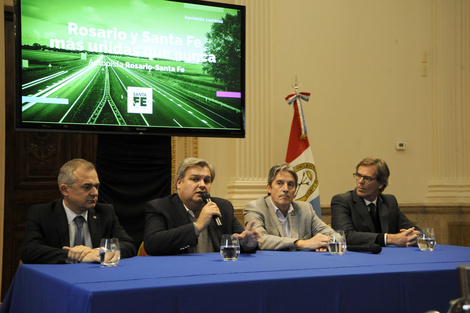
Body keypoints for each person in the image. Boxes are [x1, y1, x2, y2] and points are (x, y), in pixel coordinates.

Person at [21, 158, 136, 264]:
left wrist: (97, 252)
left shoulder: (105, 212)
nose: (95, 193)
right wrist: (71, 255)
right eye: (87, 187)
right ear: (65, 190)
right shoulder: (42, 213)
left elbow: (129, 245)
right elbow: (29, 250)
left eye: (96, 186)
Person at [144, 158, 260, 256]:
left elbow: (239, 241)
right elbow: (152, 244)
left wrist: (246, 244)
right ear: (179, 182)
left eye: (207, 180)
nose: (202, 185)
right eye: (195, 179)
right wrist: (198, 225)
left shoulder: (223, 207)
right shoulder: (160, 207)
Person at [244, 163, 340, 251]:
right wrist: (302, 243)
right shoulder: (255, 207)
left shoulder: (305, 209)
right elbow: (260, 239)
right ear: (269, 187)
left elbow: (335, 236)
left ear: (295, 190)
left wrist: (325, 243)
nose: (285, 189)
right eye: (280, 183)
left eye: (290, 184)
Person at [331, 157, 420, 247]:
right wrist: (389, 238)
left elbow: (414, 229)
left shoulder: (389, 202)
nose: (360, 181)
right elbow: (344, 236)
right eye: (358, 176)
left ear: (380, 184)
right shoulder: (342, 201)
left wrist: (413, 235)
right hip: (358, 257)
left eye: (367, 178)